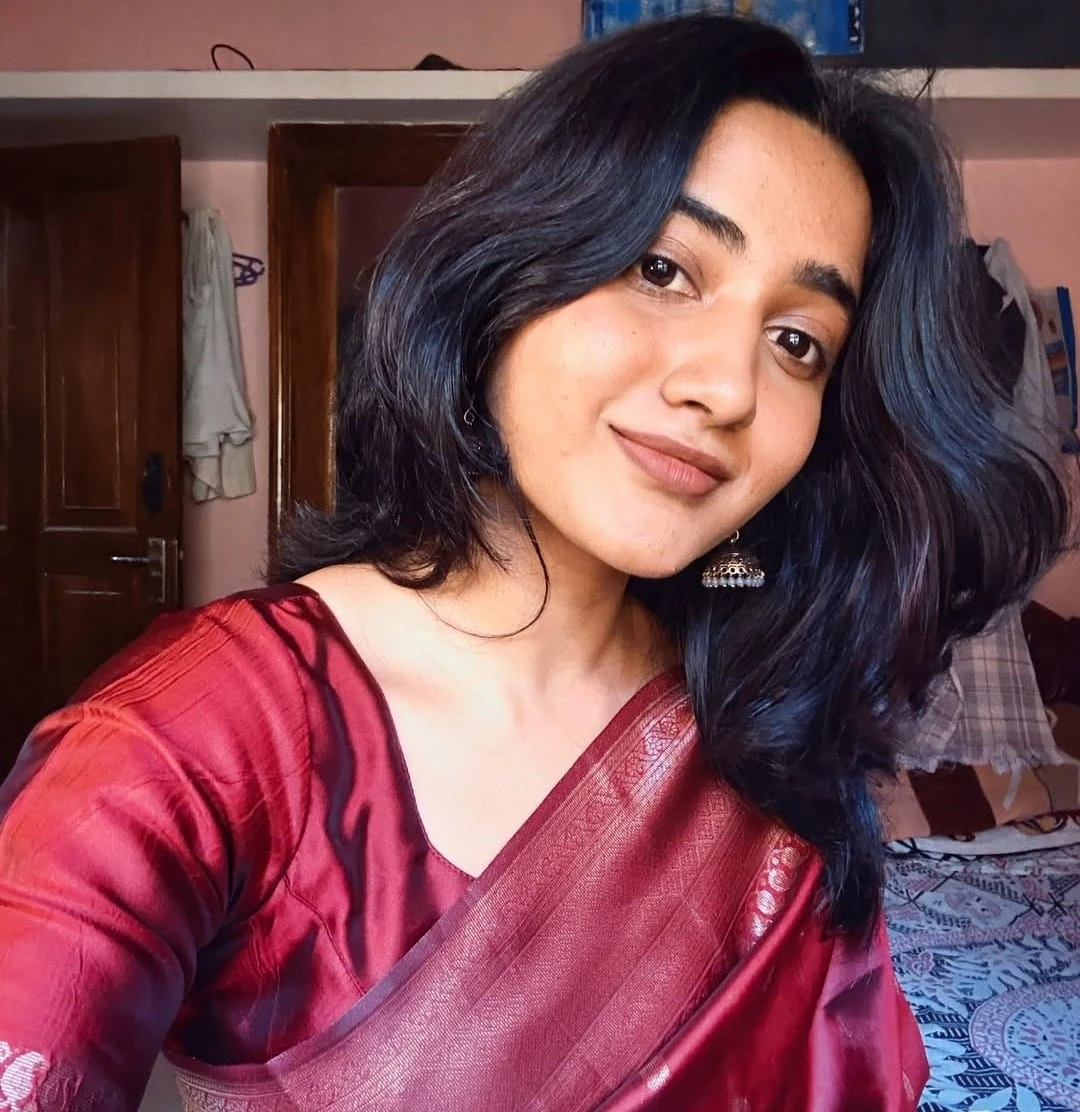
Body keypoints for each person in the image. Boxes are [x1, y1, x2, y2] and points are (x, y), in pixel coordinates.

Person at [0, 13, 1067, 1111]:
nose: (728, 388)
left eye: (798, 341)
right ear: (503, 271)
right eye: (664, 268)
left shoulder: (764, 728)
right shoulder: (199, 732)